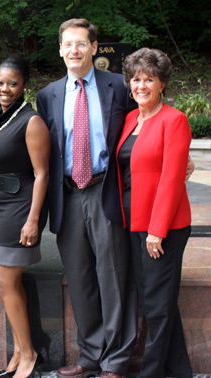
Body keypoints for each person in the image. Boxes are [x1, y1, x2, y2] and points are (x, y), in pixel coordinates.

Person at [36, 19, 138, 378]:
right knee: (79, 279)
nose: (74, 51)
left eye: (82, 44)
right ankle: (91, 355)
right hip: (67, 196)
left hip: (105, 191)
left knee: (113, 277)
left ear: (94, 48)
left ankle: (116, 360)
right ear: (60, 49)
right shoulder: (48, 95)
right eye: (68, 45)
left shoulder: (119, 87)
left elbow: (145, 126)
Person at [117, 48, 193, 378]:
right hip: (133, 221)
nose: (141, 85)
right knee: (153, 300)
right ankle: (178, 370)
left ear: (162, 84)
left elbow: (173, 179)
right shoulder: (130, 119)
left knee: (157, 306)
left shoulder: (174, 120)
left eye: (150, 79)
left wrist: (157, 230)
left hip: (163, 227)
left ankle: (151, 373)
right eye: (136, 79)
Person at [0, 57, 50, 378]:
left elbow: (41, 174)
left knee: (4, 283)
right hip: (1, 206)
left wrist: (33, 219)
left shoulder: (31, 121)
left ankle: (30, 355)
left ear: (24, 86)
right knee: (10, 284)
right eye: (0, 82)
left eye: (12, 84)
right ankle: (21, 351)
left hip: (21, 207)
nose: (4, 89)